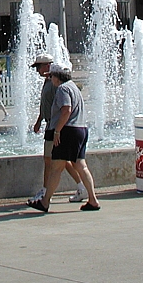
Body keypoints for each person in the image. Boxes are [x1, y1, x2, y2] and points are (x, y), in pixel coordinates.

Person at [28, 64, 100, 213]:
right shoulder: (73, 87)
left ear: (56, 76)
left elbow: (66, 110)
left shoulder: (63, 89)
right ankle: (93, 199)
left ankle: (45, 202)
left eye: (51, 76)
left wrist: (57, 131)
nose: (50, 79)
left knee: (56, 167)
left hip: (68, 131)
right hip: (81, 129)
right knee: (81, 165)